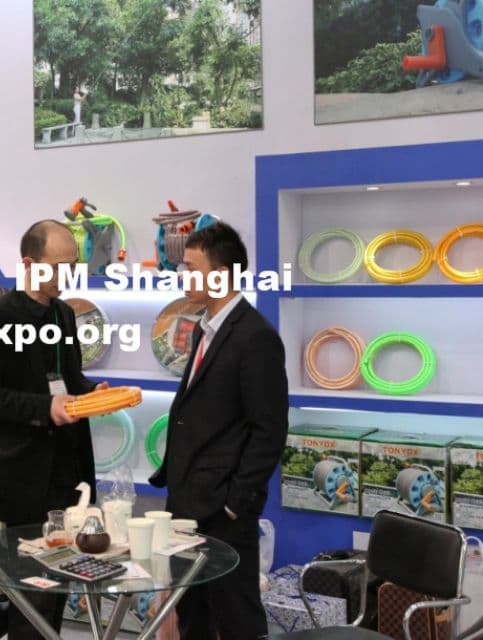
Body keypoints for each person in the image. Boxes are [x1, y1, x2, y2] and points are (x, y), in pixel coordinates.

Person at [0, 220, 107, 640]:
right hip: (22, 476)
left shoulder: (64, 313)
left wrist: (92, 394)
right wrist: (45, 408)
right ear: (29, 264)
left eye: (73, 265)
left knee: (60, 584)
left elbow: (69, 378)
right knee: (31, 592)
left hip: (69, 474)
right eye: (60, 266)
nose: (69, 275)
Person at [149, 221, 288, 640]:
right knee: (193, 611)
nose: (183, 276)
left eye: (191, 267)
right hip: (189, 500)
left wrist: (235, 502)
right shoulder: (205, 327)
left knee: (236, 614)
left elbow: (269, 429)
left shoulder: (256, 336)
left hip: (224, 508)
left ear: (222, 273)